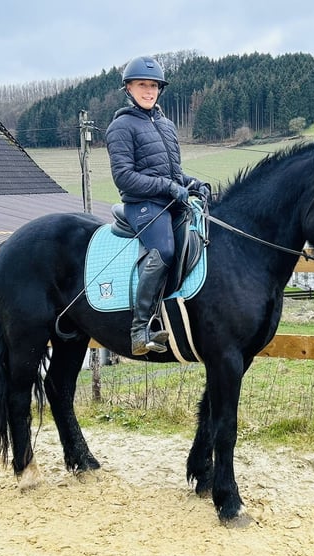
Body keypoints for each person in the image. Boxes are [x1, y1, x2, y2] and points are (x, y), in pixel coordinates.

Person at [106, 55, 209, 356]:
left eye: (153, 86)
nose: (149, 91)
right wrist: (169, 188)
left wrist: (193, 184)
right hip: (142, 205)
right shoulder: (121, 126)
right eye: (142, 85)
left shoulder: (166, 124)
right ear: (128, 88)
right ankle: (140, 329)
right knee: (163, 250)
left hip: (170, 200)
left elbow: (173, 174)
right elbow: (124, 177)